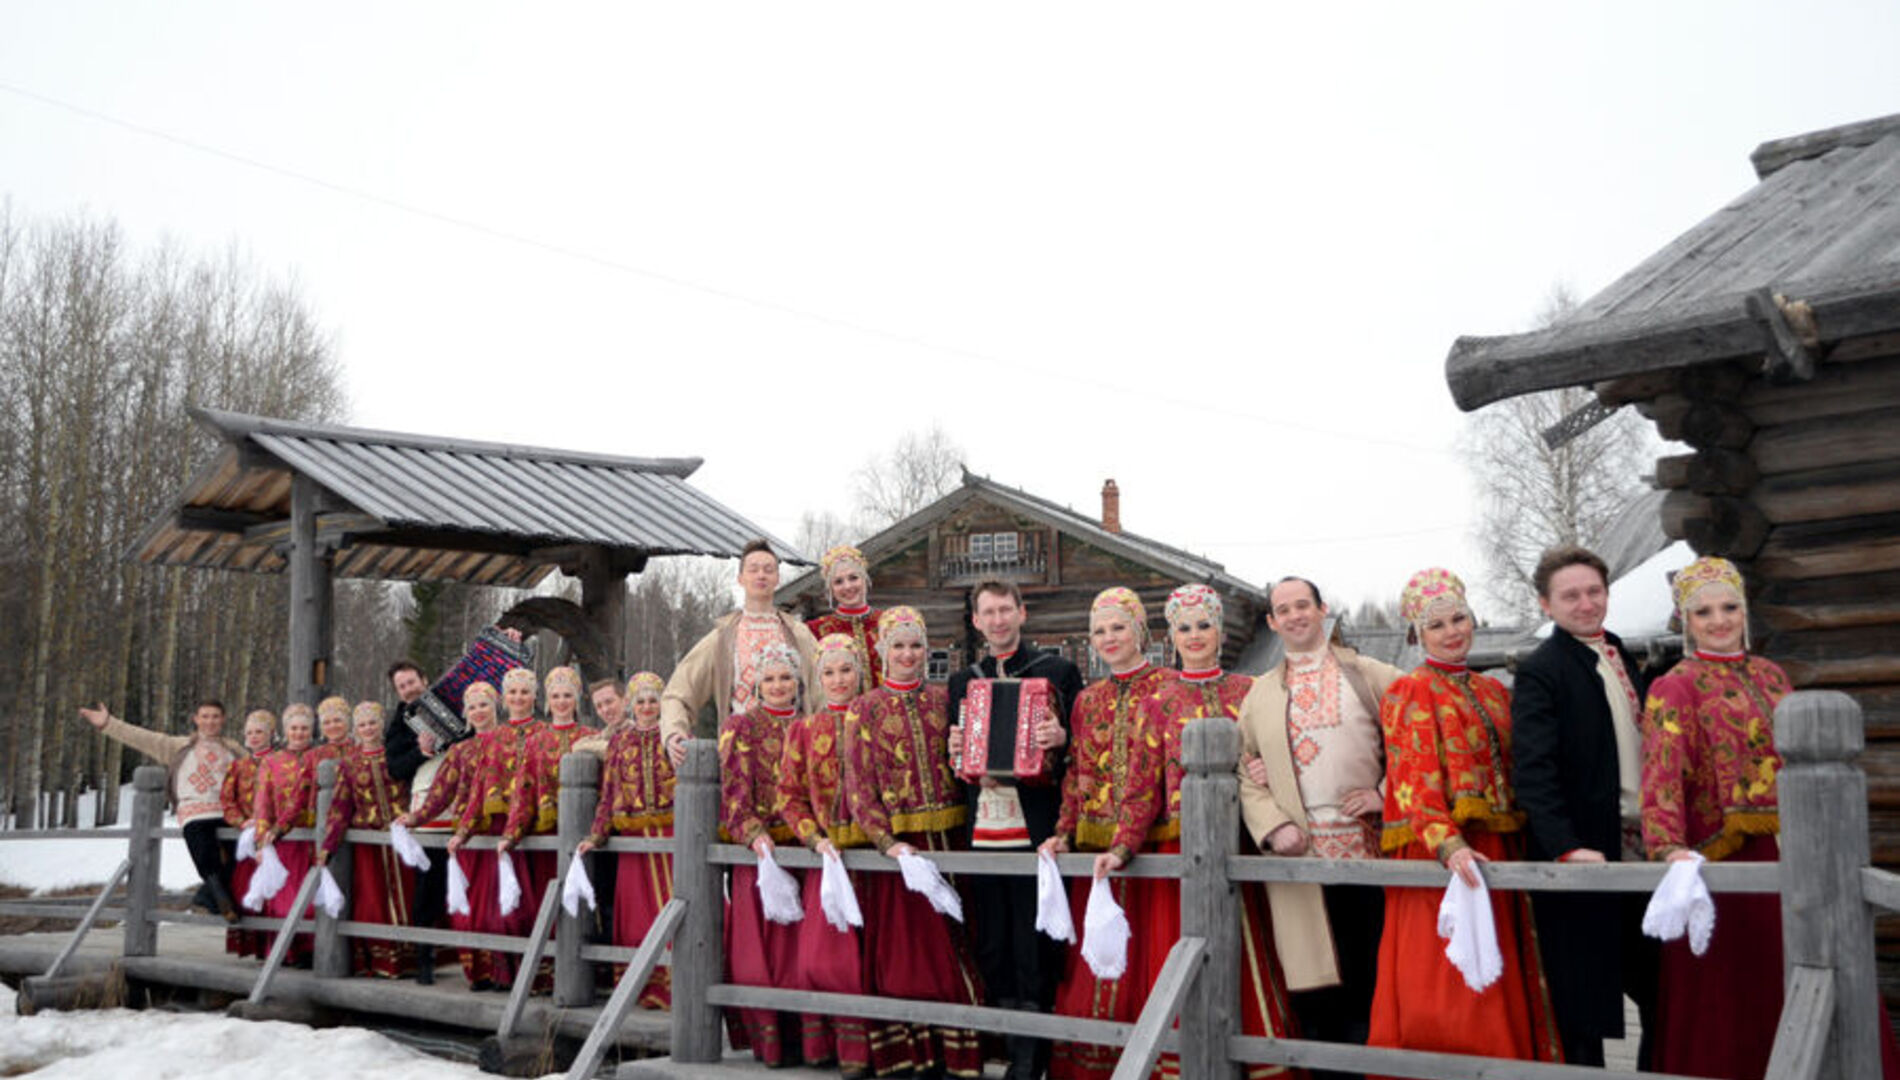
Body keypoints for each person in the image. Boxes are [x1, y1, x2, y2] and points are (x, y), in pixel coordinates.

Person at [1366, 569, 1562, 1067]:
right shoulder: (1411, 690)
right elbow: (1413, 780)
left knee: (1502, 966)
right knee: (1447, 980)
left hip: (1497, 844)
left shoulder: (1494, 690)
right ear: (1418, 635)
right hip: (1441, 850)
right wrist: (1448, 844)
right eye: (1437, 626)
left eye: (1459, 619)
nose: (1452, 632)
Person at [1131, 583, 1300, 1079]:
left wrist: (1267, 768)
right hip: (1180, 846)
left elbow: (1278, 751)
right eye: (1184, 627)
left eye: (1204, 625)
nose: (1195, 635)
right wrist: (1122, 845)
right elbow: (1141, 785)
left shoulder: (1251, 691)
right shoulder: (1156, 700)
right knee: (1183, 949)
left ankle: (1258, 1058)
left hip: (1244, 839)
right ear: (1171, 637)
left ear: (1221, 631)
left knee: (1249, 948)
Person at [1638, 557, 1799, 1078]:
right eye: (1703, 612)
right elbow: (1661, 775)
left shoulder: (1773, 676)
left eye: (1729, 607)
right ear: (1686, 620)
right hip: (1719, 859)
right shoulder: (1675, 685)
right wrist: (1669, 847)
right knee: (1735, 988)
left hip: (1790, 849)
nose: (1719, 620)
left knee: (1795, 968)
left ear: (1744, 610)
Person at [1236, 576, 1399, 1076]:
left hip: (1367, 857)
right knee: (1313, 989)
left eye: (1302, 605)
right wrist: (1272, 826)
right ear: (1271, 622)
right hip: (1297, 862)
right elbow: (1242, 768)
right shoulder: (1259, 694)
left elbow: (1414, 739)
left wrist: (1384, 793)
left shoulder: (1370, 675)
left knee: (1369, 980)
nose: (1295, 616)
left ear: (1322, 609)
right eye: (1283, 610)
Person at [1511, 545, 1658, 1067]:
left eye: (1594, 591)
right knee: (1583, 1008)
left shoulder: (1620, 653)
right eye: (1570, 595)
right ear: (1546, 604)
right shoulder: (1541, 671)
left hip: (1643, 850)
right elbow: (1533, 772)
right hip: (1584, 855)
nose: (1586, 603)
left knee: (1659, 990)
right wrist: (1566, 846)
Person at [944, 579, 1082, 1080]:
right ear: (977, 622)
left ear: (1022, 614)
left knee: (1034, 944)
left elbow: (1083, 749)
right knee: (993, 942)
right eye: (989, 613)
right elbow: (953, 752)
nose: (998, 620)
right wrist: (958, 753)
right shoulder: (964, 681)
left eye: (1006, 610)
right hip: (983, 827)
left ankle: (1032, 1060)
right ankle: (1006, 1049)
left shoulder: (1058, 672)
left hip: (1036, 826)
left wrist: (1062, 737)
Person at [842, 607, 984, 1079]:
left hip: (953, 840)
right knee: (912, 952)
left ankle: (961, 1052)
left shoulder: (944, 700)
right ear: (882, 650)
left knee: (960, 943)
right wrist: (887, 843)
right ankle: (914, 1052)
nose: (908, 655)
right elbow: (859, 786)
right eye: (898, 646)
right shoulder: (865, 708)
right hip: (903, 849)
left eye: (916, 645)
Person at [1039, 587, 1172, 1080]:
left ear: (1140, 631)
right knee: (1098, 956)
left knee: (1149, 952)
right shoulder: (1087, 699)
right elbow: (1078, 772)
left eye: (1119, 627)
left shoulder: (1167, 687)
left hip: (1155, 841)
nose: (1109, 638)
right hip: (1097, 848)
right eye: (1100, 631)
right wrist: (1063, 833)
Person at [776, 633, 902, 1079]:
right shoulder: (804, 729)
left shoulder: (878, 720)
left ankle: (883, 1051)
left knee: (880, 958)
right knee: (825, 959)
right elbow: (789, 796)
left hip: (879, 858)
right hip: (830, 860)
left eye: (846, 669)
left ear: (861, 672)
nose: (838, 680)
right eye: (828, 672)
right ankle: (834, 1045)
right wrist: (814, 839)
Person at [79, 698, 244, 921]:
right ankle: (218, 897)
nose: (210, 721)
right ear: (196, 719)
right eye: (205, 716)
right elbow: (143, 738)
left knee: (240, 855)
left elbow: (259, 771)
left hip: (226, 811)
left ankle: (207, 897)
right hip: (194, 810)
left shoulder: (234, 749)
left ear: (223, 719)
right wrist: (108, 724)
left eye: (215, 716)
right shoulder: (179, 746)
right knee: (204, 852)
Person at [719, 642, 806, 1066]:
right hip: (761, 852)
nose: (777, 686)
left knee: (802, 952)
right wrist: (753, 832)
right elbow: (733, 789)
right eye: (769, 679)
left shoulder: (809, 724)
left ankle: (806, 1036)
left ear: (797, 682)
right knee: (761, 954)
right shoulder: (742, 726)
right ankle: (770, 1041)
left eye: (785, 677)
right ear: (756, 684)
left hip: (803, 849)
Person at [397, 681, 515, 989]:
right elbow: (440, 793)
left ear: (495, 707)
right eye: (472, 707)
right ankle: (478, 972)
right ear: (465, 713)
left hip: (500, 833)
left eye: (484, 705)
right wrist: (416, 817)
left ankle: (505, 972)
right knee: (471, 906)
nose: (478, 712)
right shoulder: (460, 751)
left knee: (501, 904)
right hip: (467, 837)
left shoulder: (512, 741)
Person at [661, 538, 819, 765]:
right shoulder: (722, 638)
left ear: (777, 578)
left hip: (796, 755)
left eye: (768, 570)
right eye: (753, 569)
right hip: (741, 757)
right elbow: (678, 692)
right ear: (741, 578)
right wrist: (674, 732)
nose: (761, 575)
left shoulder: (798, 634)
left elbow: (822, 693)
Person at [575, 671, 676, 1009]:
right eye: (641, 701)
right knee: (638, 913)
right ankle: (643, 987)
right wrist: (596, 834)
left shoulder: (674, 735)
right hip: (633, 838)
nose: (646, 707)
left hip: (671, 835)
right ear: (632, 704)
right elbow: (609, 793)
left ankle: (676, 985)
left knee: (672, 905)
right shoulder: (621, 742)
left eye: (652, 701)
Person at [445, 667, 541, 990]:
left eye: (524, 692)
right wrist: (462, 831)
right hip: (496, 828)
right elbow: (476, 792)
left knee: (521, 907)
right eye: (512, 692)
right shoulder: (492, 741)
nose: (518, 697)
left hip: (531, 827)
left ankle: (524, 974)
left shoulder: (541, 735)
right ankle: (496, 972)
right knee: (494, 906)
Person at [315, 701, 414, 979]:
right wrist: (328, 846)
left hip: (402, 840)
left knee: (408, 897)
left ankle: (411, 959)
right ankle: (380, 959)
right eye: (362, 725)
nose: (368, 729)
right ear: (355, 729)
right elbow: (340, 807)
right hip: (368, 843)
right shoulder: (349, 764)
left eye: (372, 723)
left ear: (381, 725)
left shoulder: (395, 755)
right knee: (373, 901)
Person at [500, 665, 591, 931]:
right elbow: (523, 792)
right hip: (547, 831)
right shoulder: (535, 741)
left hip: (584, 831)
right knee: (548, 894)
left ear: (576, 699)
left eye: (567, 695)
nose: (561, 702)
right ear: (548, 701)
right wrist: (511, 834)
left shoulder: (590, 737)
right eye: (556, 696)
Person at [383, 658, 447, 983]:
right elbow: (395, 768)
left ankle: (478, 962)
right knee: (428, 886)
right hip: (426, 809)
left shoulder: (448, 704)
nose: (409, 689)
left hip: (462, 802)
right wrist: (421, 752)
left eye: (412, 682)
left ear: (424, 678)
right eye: (402, 686)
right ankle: (424, 959)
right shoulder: (398, 725)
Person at [254, 704, 320, 967]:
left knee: (314, 899)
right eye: (294, 728)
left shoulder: (319, 757)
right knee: (285, 900)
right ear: (286, 730)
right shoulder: (272, 762)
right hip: (285, 841)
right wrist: (262, 838)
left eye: (304, 728)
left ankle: (312, 951)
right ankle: (286, 951)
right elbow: (263, 802)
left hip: (314, 839)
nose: (299, 733)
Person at [221, 709, 276, 958]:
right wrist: (241, 822)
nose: (254, 737)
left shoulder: (280, 762)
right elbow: (227, 800)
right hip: (247, 837)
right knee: (245, 889)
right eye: (250, 733)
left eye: (259, 732)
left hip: (272, 835)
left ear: (270, 734)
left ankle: (272, 945)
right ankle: (251, 944)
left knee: (272, 892)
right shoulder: (238, 766)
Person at [805, 543, 883, 688]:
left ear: (865, 579)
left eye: (853, 578)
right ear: (831, 588)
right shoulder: (815, 630)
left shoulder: (887, 622)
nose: (847, 586)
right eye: (838, 581)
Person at [310, 696, 353, 767]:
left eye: (337, 720)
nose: (332, 726)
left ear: (347, 722)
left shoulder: (361, 751)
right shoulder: (312, 756)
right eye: (326, 723)